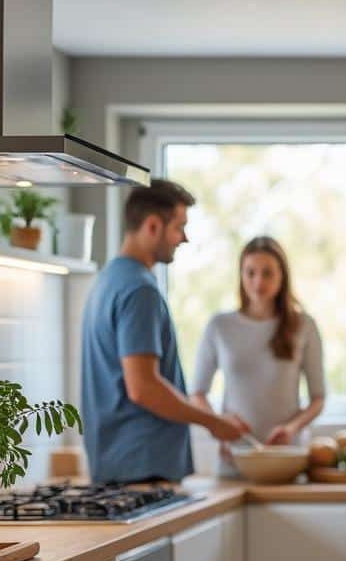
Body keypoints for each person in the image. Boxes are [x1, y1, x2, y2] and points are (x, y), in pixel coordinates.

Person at [81, 179, 246, 484]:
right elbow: (143, 387)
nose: (184, 238)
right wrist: (214, 422)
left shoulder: (108, 281)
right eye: (179, 227)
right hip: (143, 468)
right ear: (153, 226)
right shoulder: (140, 290)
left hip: (116, 464)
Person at [190, 236, 324, 474]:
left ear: (282, 276)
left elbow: (318, 399)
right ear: (240, 275)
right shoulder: (220, 326)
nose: (258, 281)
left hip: (286, 460)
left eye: (267, 273)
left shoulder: (304, 325)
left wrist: (292, 429)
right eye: (250, 272)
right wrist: (219, 425)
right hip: (235, 459)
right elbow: (198, 393)